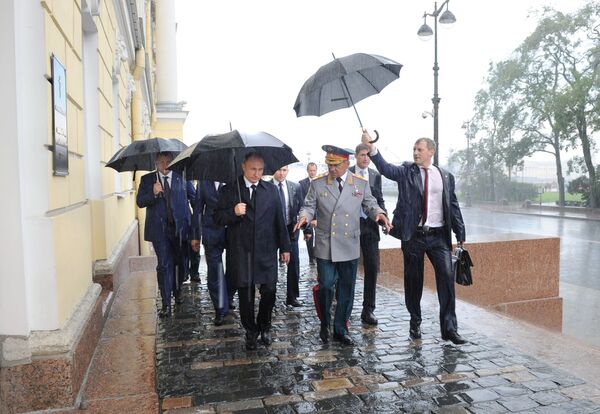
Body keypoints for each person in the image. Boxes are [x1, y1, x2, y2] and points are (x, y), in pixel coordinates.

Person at [361, 130, 467, 345]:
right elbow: (386, 168)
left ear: (431, 151)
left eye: (420, 149)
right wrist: (372, 148)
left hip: (439, 237)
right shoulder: (407, 172)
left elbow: (452, 205)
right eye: (414, 149)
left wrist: (460, 232)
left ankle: (449, 328)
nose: (416, 153)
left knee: (447, 279)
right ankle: (415, 321)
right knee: (413, 281)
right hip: (413, 236)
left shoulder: (445, 176)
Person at [295, 145, 391, 346]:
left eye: (336, 165)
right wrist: (304, 217)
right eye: (329, 164)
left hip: (349, 243)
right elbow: (308, 205)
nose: (331, 169)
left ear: (347, 163)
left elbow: (370, 204)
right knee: (327, 286)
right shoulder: (318, 184)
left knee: (347, 289)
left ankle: (340, 328)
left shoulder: (359, 183)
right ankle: (324, 322)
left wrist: (379, 215)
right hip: (326, 243)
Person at [214, 153, 291, 350]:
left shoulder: (271, 190)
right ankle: (250, 330)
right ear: (243, 167)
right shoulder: (230, 190)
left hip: (266, 250)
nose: (257, 174)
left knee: (270, 291)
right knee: (246, 295)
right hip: (241, 252)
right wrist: (233, 212)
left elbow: (279, 220)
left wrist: (285, 247)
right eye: (253, 169)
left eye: (260, 170)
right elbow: (217, 218)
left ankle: (265, 326)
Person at [136, 152, 196, 317]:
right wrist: (153, 193)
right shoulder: (148, 180)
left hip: (181, 229)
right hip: (159, 231)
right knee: (164, 265)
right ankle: (166, 303)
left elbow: (195, 199)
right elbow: (140, 202)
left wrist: (196, 227)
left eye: (168, 161)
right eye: (161, 162)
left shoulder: (182, 177)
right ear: (156, 162)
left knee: (181, 264)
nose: (165, 165)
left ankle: (177, 291)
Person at [349, 143, 386, 326]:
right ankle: (344, 307)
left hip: (371, 227)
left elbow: (379, 199)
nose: (366, 158)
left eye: (368, 155)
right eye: (363, 155)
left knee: (372, 268)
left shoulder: (375, 176)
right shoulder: (346, 173)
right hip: (350, 227)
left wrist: (384, 217)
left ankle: (368, 310)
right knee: (348, 269)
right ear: (356, 156)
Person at [191, 180, 231, 326]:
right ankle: (220, 308)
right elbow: (198, 210)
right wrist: (195, 235)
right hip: (211, 232)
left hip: (233, 230)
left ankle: (228, 297)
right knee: (215, 270)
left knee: (234, 269)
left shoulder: (233, 179)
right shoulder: (203, 183)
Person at [271, 166, 304, 307]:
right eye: (279, 170)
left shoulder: (295, 187)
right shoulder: (266, 187)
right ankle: (268, 293)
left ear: (288, 170)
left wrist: (306, 229)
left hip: (291, 230)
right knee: (270, 264)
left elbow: (302, 207)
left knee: (294, 262)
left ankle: (292, 296)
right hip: (271, 231)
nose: (281, 173)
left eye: (284, 170)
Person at [299, 162, 318, 265]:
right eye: (310, 170)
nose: (312, 172)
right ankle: (311, 258)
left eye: (314, 170)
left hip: (319, 216)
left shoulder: (321, 182)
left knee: (320, 238)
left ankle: (318, 257)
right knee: (309, 237)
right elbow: (302, 202)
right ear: (307, 171)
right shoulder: (301, 184)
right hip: (307, 215)